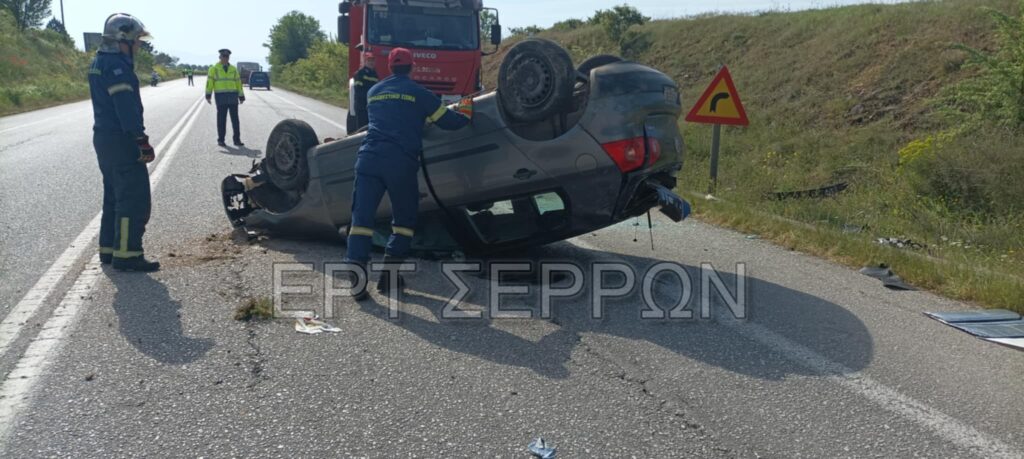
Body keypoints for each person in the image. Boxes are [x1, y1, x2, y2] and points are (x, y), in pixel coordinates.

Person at [344, 48, 472, 299]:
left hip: (368, 160)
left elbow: (390, 116)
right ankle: (388, 278)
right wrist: (466, 110)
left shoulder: (374, 92)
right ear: (412, 67)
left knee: (361, 221)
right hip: (399, 163)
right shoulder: (419, 94)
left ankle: (356, 283)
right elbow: (450, 122)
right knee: (403, 222)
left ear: (389, 67)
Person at [87, 13, 160, 272]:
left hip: (104, 138)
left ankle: (108, 249)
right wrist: (141, 140)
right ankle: (128, 255)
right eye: (136, 41)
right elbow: (125, 108)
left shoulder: (99, 61)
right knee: (132, 198)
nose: (139, 46)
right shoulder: (118, 67)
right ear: (122, 39)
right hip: (121, 139)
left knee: (114, 196)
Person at [205, 49, 245, 147]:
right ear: (220, 57)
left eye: (227, 57)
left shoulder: (233, 69)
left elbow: (238, 83)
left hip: (232, 97)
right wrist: (208, 95)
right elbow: (210, 83)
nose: (225, 58)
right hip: (221, 97)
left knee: (235, 120)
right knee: (221, 120)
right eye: (224, 56)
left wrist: (241, 95)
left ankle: (237, 140)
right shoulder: (213, 69)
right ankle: (221, 140)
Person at [348, 46, 378, 133]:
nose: (371, 62)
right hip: (361, 105)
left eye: (372, 60)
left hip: (370, 105)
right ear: (365, 61)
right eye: (369, 60)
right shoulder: (360, 74)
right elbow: (358, 91)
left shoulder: (375, 74)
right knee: (361, 129)